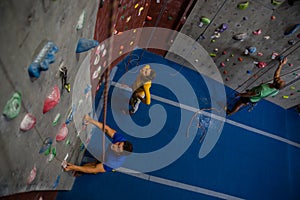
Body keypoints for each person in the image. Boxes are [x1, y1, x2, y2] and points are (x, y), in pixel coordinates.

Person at [63, 114, 133, 174]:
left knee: (93, 167)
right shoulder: (121, 140)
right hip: (109, 153)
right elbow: (107, 129)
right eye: (119, 143)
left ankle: (79, 170)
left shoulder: (112, 163)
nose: (116, 144)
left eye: (118, 147)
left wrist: (73, 167)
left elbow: (94, 169)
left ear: (118, 154)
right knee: (98, 159)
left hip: (107, 160)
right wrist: (90, 120)